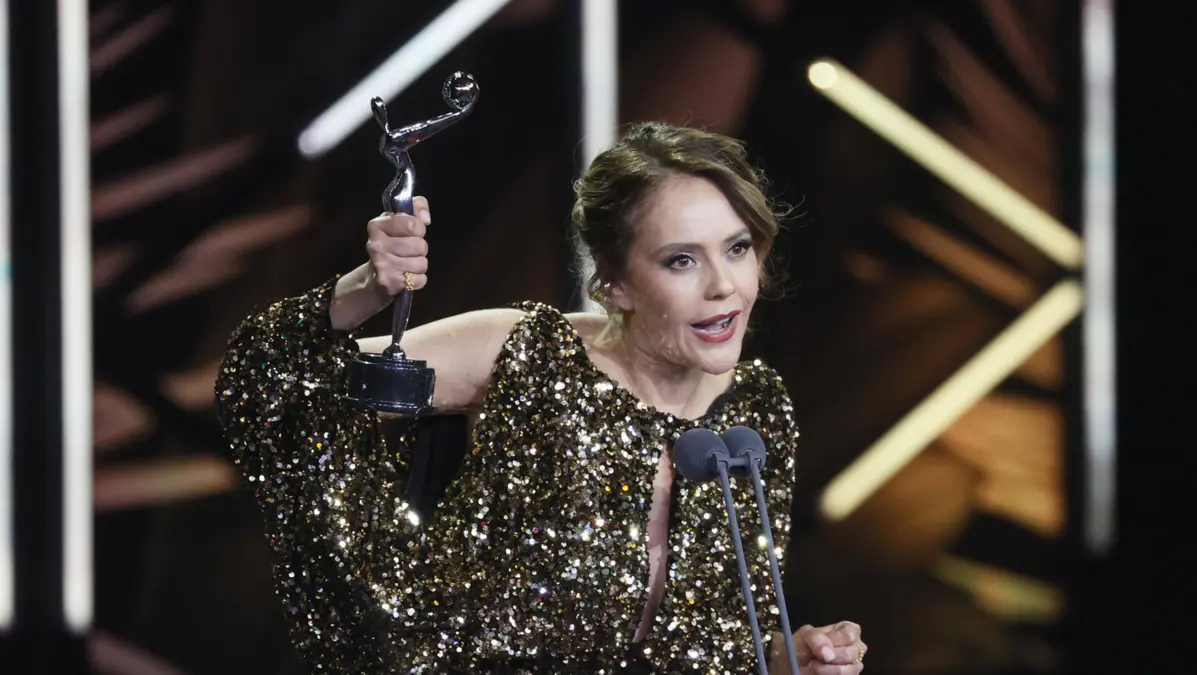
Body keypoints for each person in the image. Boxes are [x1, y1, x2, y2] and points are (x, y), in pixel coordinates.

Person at [216, 121, 867, 674]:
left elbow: (705, 637)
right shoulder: (528, 353)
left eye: (738, 247)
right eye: (681, 260)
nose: (724, 285)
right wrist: (367, 289)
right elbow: (273, 381)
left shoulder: (757, 410)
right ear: (615, 282)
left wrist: (782, 655)